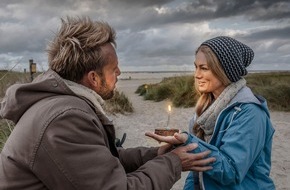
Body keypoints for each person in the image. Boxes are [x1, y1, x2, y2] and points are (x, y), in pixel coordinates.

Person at [0, 16, 215, 190]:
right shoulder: (64, 118)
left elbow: (101, 162)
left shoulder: (60, 105)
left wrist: (156, 154)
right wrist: (175, 162)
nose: (120, 73)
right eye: (114, 69)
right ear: (93, 78)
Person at [146, 36, 275, 189]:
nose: (197, 74)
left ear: (225, 70)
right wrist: (182, 145)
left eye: (204, 68)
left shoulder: (250, 113)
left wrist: (189, 142)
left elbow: (231, 172)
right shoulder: (204, 110)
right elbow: (197, 172)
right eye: (196, 67)